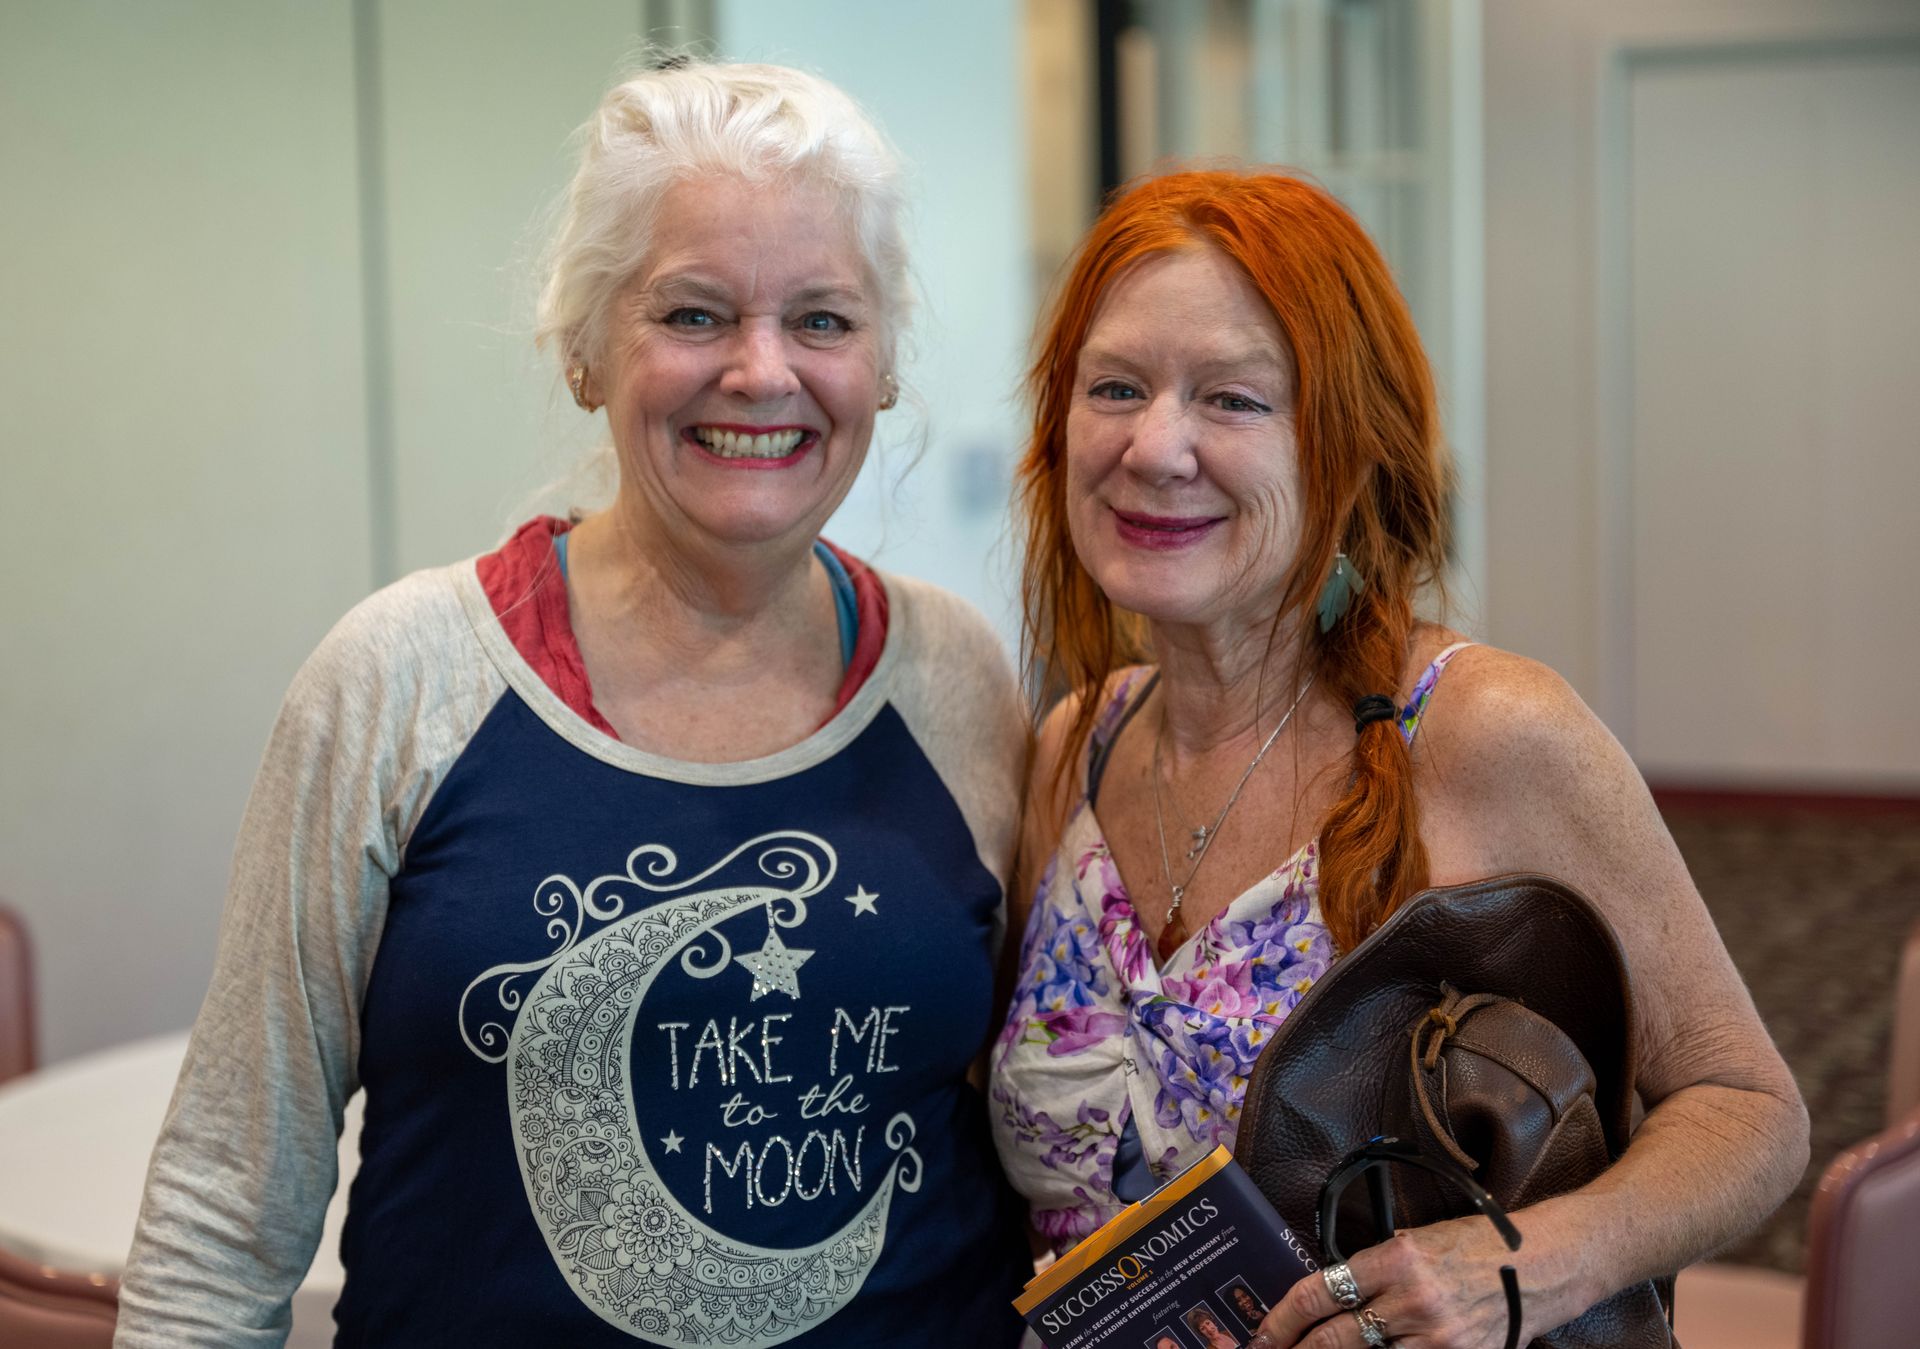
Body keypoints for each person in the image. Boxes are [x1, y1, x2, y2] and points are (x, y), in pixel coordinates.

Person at [115, 60, 1031, 1346]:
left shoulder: (959, 678)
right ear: (586, 351)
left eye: (823, 319)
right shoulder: (399, 679)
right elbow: (223, 1209)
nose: (764, 373)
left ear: (883, 365)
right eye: (695, 314)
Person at [988, 170, 1809, 1348]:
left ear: (1350, 448)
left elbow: (1752, 1110)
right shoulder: (1078, 746)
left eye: (1232, 399)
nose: (1155, 444)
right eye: (1114, 387)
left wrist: (1515, 1272)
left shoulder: (1481, 731)